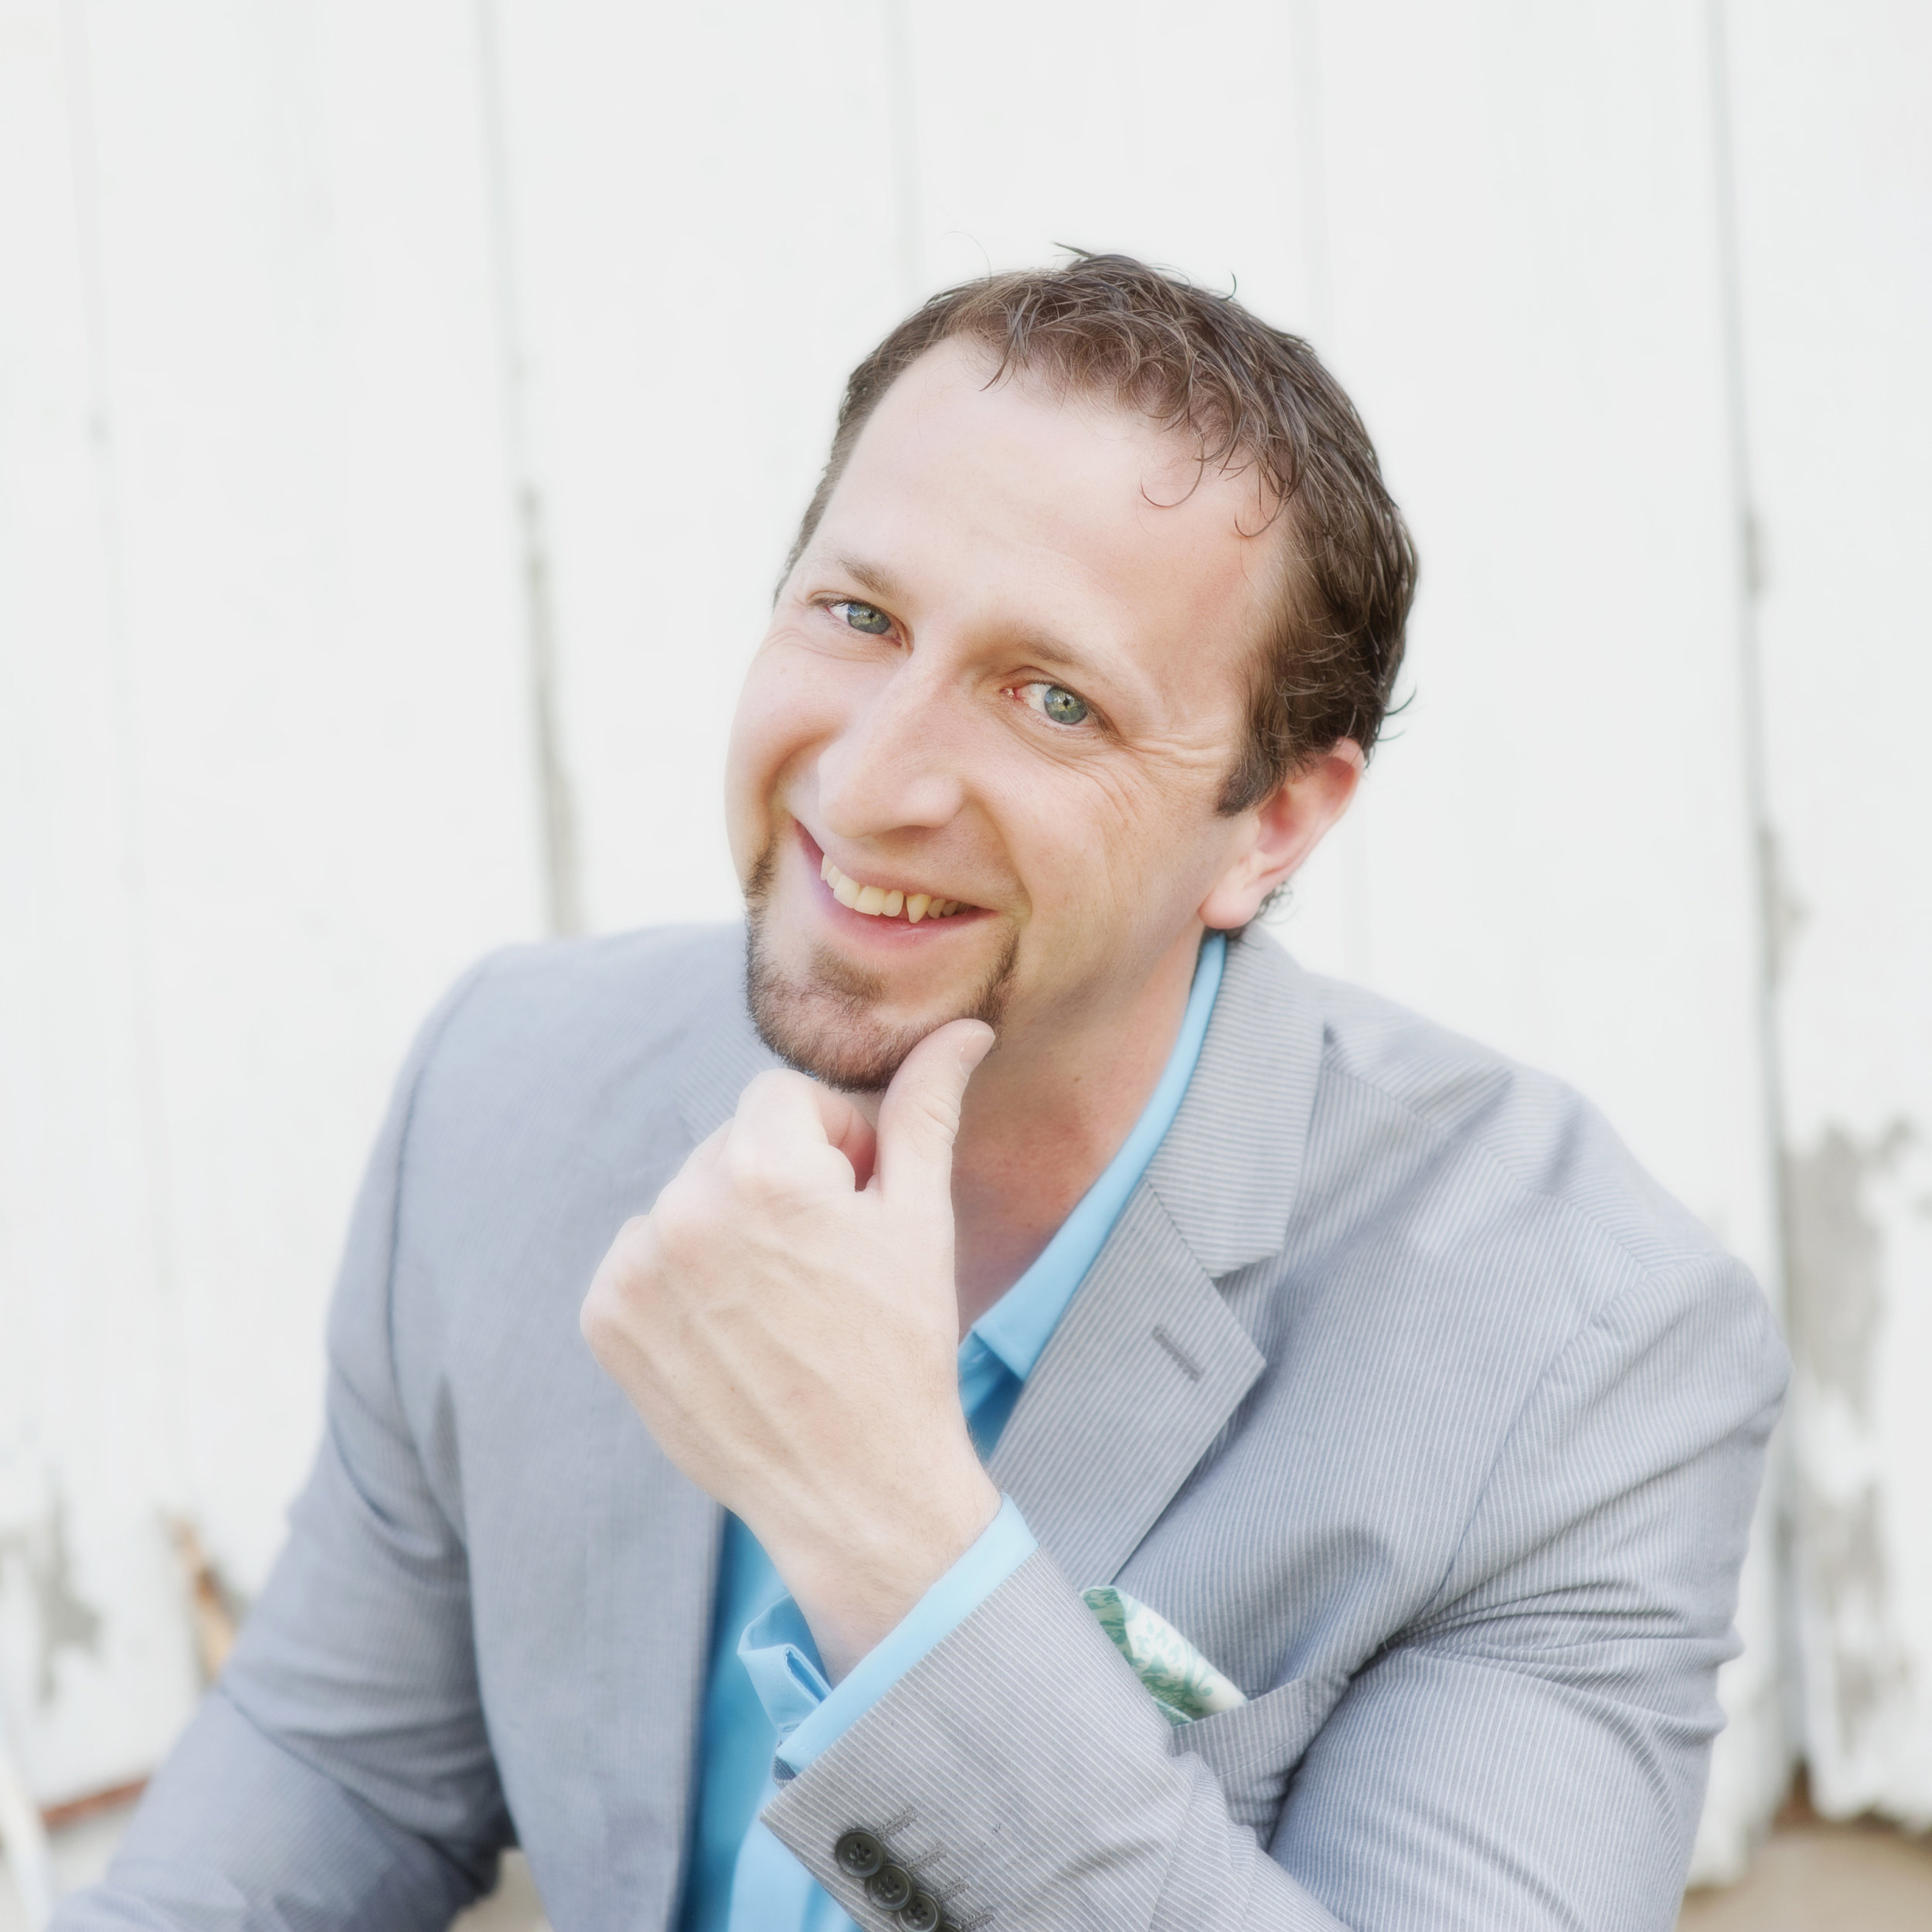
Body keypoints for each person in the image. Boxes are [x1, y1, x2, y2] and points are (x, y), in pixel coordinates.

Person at [59, 255, 1785, 1932]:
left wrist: (885, 1532)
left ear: (1270, 823)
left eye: (1053, 700)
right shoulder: (511, 1090)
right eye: (858, 615)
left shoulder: (1575, 1352)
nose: (871, 780)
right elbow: (338, 1782)